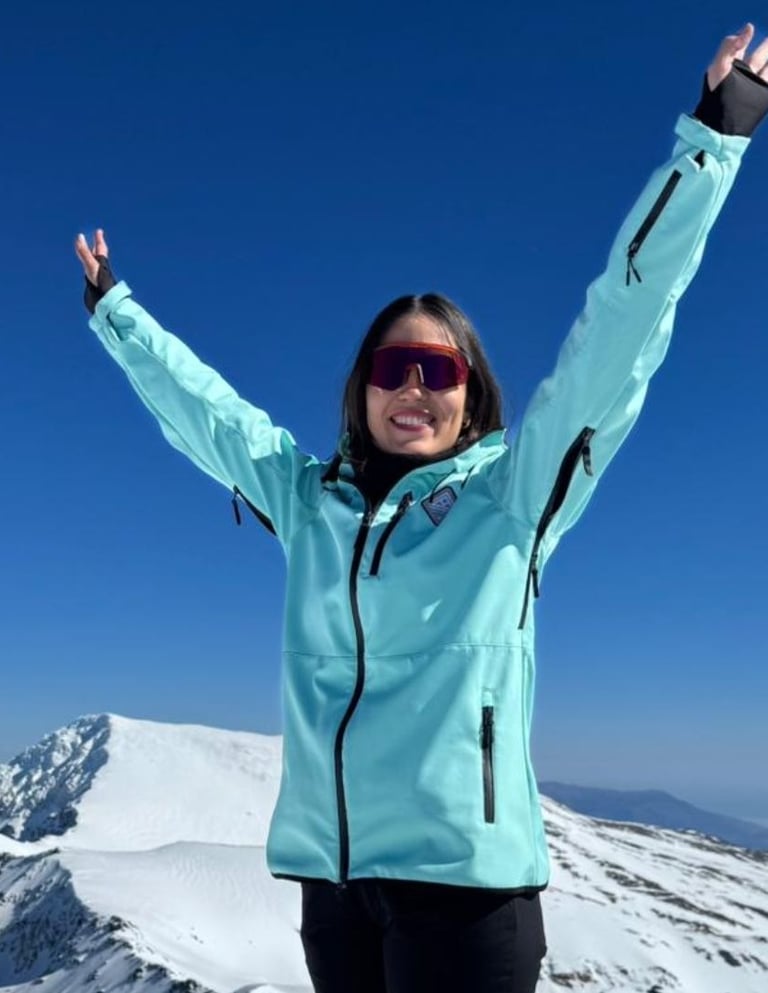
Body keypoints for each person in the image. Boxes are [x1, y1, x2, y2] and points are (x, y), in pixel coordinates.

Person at [75, 24, 768, 993]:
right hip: (337, 890)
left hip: (466, 897)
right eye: (390, 367)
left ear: (470, 389)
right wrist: (116, 313)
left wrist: (715, 136)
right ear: (360, 389)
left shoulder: (514, 499)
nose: (413, 387)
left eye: (436, 367)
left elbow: (625, 323)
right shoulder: (309, 504)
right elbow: (212, 416)